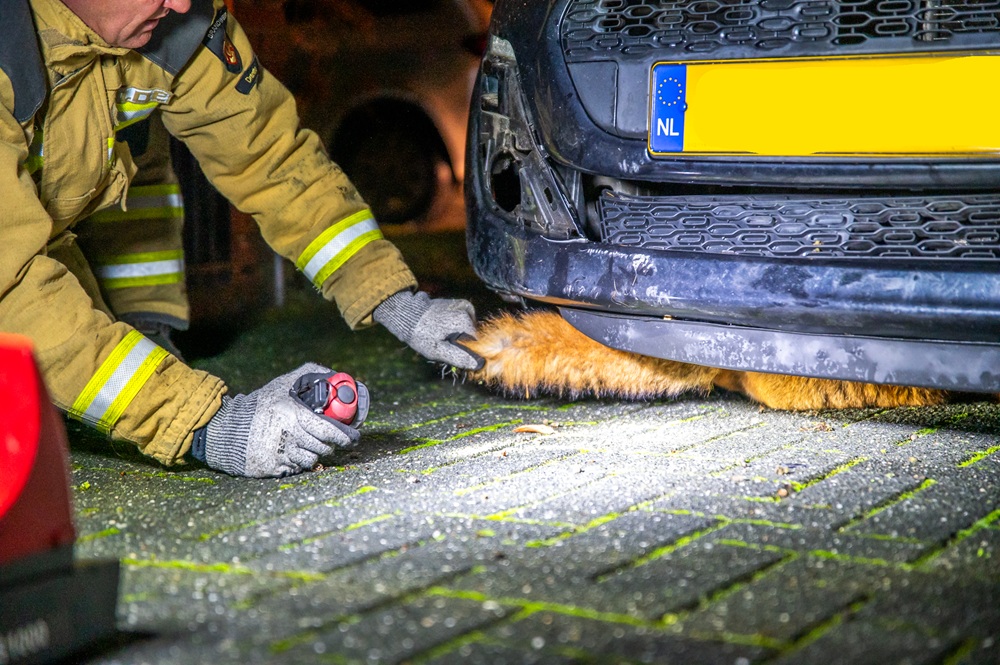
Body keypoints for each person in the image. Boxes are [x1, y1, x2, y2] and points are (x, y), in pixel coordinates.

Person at [0, 0, 483, 478]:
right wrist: (205, 423)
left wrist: (393, 296)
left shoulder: (173, 23)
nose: (182, 2)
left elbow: (270, 159)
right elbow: (12, 289)